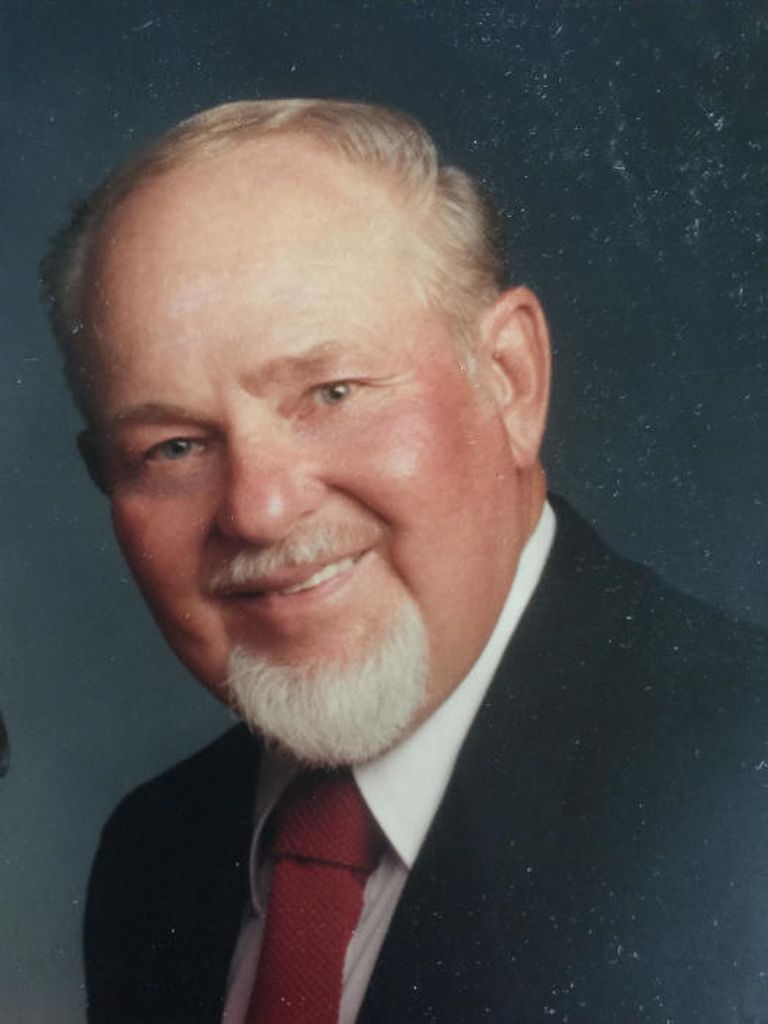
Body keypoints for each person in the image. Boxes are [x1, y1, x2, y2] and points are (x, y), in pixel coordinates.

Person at [42, 99, 768, 1023]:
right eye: (173, 447)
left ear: (510, 379)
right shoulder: (155, 859)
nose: (260, 510)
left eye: (332, 393)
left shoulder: (740, 783)